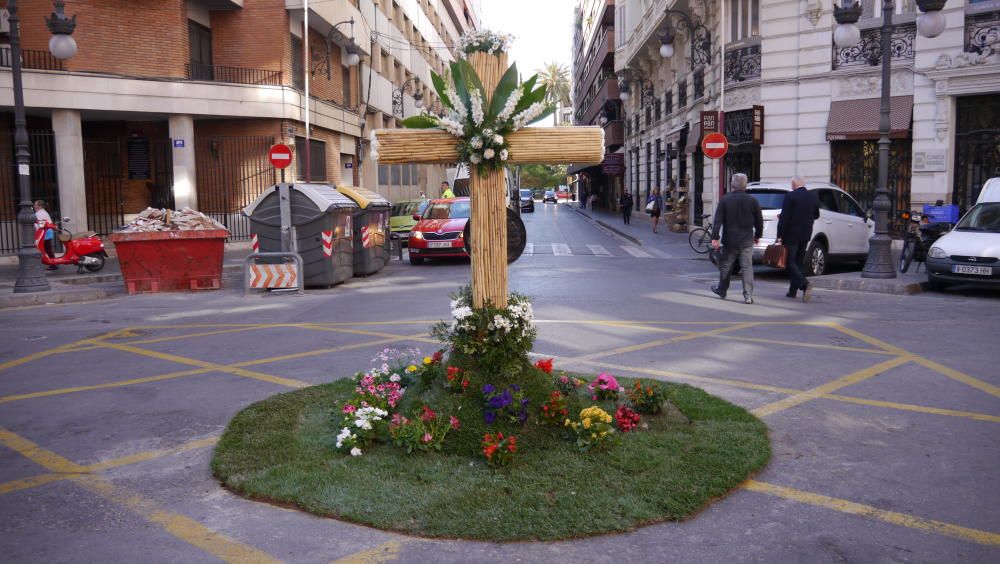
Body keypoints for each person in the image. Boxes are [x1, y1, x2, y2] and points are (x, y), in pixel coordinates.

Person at [710, 173, 763, 304]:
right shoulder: (753, 201)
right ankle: (748, 295)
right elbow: (759, 222)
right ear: (745, 185)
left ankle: (722, 290)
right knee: (747, 267)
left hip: (730, 239)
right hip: (746, 240)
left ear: (732, 184)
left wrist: (715, 237)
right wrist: (757, 236)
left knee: (727, 265)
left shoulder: (725, 200)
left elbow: (717, 221)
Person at [776, 175, 821, 302]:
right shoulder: (812, 197)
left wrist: (779, 235)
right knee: (798, 262)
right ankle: (792, 291)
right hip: (806, 234)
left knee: (790, 263)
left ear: (794, 184)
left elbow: (784, 218)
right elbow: (816, 214)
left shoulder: (790, 196)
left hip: (791, 235)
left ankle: (804, 284)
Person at [33, 200, 57, 270]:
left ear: (39, 206)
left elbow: (39, 224)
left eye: (35, 205)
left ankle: (53, 264)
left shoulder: (40, 213)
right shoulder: (41, 212)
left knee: (47, 248)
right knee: (46, 248)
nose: (34, 206)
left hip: (44, 232)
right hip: (46, 232)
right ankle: (53, 263)